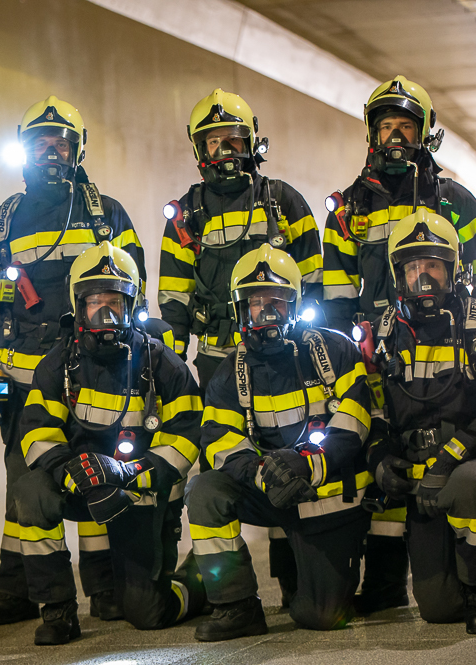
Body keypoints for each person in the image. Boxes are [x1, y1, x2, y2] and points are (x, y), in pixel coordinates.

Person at [320, 75, 476, 614]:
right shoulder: (347, 211)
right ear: (371, 133)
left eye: (405, 126)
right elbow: (335, 301)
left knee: (456, 466)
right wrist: (345, 366)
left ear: (425, 133)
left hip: (451, 349)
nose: (394, 136)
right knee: (386, 459)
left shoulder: (457, 201)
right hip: (382, 353)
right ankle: (385, 583)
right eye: (385, 125)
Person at [0, 96, 146, 625]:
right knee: (25, 483)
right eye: (39, 143)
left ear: (77, 151)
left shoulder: (107, 214)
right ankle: (18, 592)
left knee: (94, 473)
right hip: (24, 381)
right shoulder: (2, 223)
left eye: (60, 144)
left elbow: (136, 293)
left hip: (94, 376)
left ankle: (104, 591)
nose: (50, 152)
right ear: (23, 151)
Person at [158, 88, 323, 602]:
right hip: (218, 362)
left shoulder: (284, 202)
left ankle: (295, 574)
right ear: (198, 149)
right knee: (223, 466)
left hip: (284, 358)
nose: (224, 151)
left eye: (233, 140)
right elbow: (173, 301)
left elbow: (314, 284)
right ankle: (222, 589)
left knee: (287, 453)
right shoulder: (185, 215)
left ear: (252, 143)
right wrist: (170, 369)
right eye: (213, 142)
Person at [12, 242, 206, 645]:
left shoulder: (162, 364)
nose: (105, 314)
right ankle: (58, 611)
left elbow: (186, 438)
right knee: (31, 492)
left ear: (132, 304)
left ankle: (200, 577)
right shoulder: (59, 364)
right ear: (78, 306)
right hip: (81, 485)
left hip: (141, 491)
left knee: (147, 614)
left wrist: (128, 474)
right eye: (95, 302)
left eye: (114, 303)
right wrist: (74, 475)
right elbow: (36, 432)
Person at [185, 244, 373, 641]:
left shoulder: (334, 350)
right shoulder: (228, 374)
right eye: (256, 303)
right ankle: (236, 607)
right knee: (204, 490)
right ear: (240, 309)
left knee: (320, 616)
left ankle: (319, 580)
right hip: (269, 489)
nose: (266, 313)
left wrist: (308, 463)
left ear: (295, 304)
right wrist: (263, 473)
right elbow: (220, 443)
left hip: (325, 495)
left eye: (277, 302)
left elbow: (355, 420)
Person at [365, 209, 476, 634]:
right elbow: (373, 409)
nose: (423, 278)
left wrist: (447, 461)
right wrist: (382, 457)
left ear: (454, 270)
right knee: (440, 608)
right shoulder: (384, 336)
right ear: (398, 275)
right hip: (422, 474)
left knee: (469, 485)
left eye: (434, 266)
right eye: (413, 268)